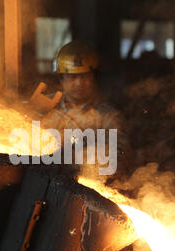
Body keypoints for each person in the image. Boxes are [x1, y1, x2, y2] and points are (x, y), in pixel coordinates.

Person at [31, 40, 133, 178]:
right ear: (61, 79)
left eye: (84, 76)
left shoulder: (108, 117)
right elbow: (17, 143)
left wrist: (74, 155)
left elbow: (119, 159)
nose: (79, 83)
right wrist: (32, 114)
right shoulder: (46, 106)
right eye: (72, 77)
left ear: (94, 77)